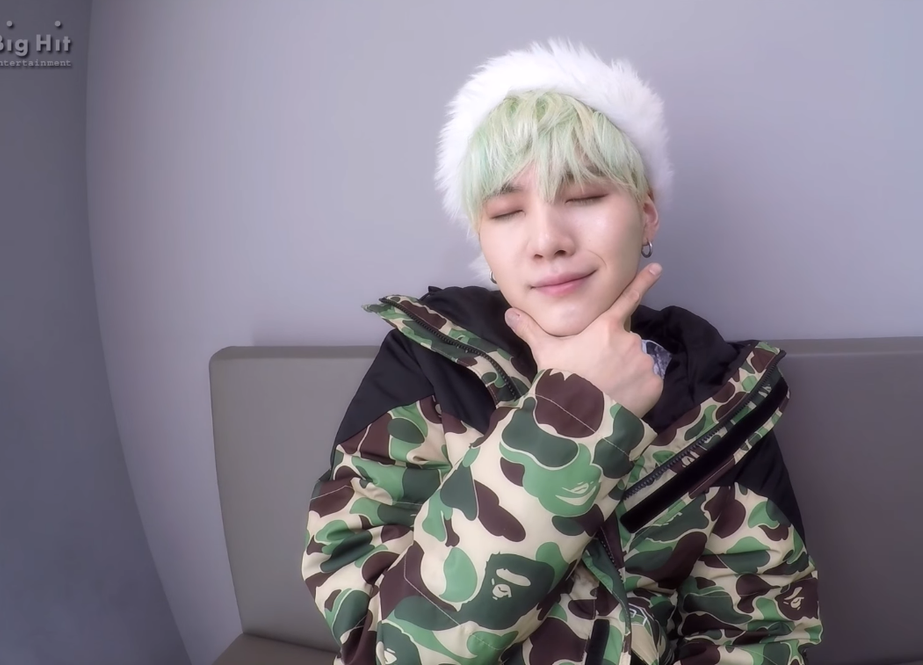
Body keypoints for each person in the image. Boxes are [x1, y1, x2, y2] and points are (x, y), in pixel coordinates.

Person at [302, 39, 822, 665]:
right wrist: (573, 414)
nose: (547, 240)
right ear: (482, 239)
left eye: (583, 198)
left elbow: (758, 637)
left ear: (647, 216)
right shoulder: (427, 365)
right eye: (506, 212)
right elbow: (380, 647)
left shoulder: (721, 399)